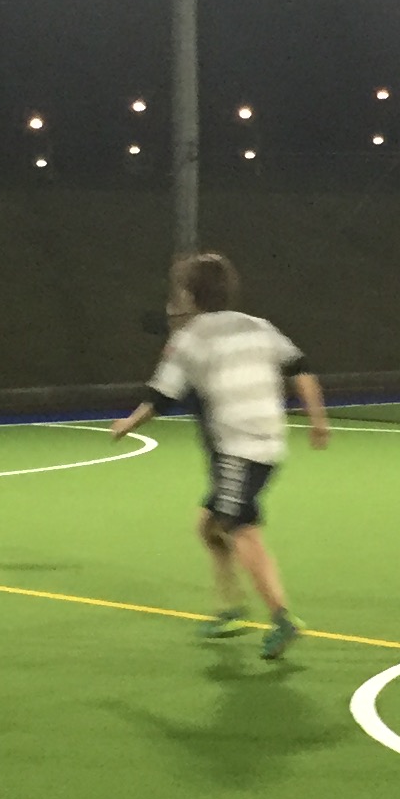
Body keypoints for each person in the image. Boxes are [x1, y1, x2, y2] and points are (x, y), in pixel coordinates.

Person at [105, 251, 330, 660]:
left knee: (240, 528)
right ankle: (231, 608)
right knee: (208, 527)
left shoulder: (190, 339)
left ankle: (281, 617)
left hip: (239, 450)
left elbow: (161, 396)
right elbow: (300, 366)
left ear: (190, 295)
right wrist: (318, 420)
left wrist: (128, 423)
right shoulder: (259, 326)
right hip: (266, 445)